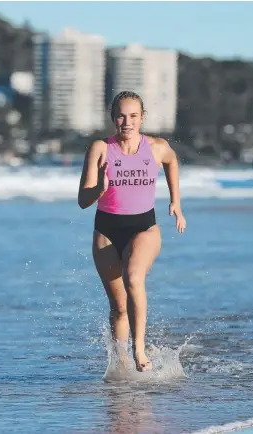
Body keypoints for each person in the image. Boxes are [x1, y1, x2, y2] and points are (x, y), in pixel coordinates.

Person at [78, 90, 186, 372]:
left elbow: (171, 161)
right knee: (118, 307)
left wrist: (175, 200)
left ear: (142, 118)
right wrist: (99, 190)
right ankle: (121, 362)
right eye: (121, 116)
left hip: (144, 228)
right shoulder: (100, 149)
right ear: (113, 118)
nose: (127, 121)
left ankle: (139, 348)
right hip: (106, 231)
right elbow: (82, 201)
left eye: (133, 116)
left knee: (133, 279)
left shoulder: (156, 147)